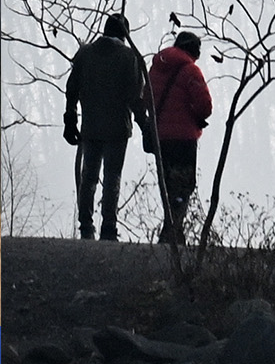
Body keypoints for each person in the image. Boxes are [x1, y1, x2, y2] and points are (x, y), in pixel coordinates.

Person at [64, 13, 150, 241]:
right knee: (112, 176)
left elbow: (71, 87)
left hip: (90, 125)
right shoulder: (129, 56)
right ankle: (109, 227)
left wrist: (70, 118)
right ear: (125, 34)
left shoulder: (85, 54)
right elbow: (135, 97)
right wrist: (146, 126)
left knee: (89, 176)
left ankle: (85, 226)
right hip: (117, 128)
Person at [148, 31, 214, 246]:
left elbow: (145, 98)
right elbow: (205, 108)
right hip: (184, 138)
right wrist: (194, 115)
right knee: (183, 186)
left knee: (167, 185)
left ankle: (172, 232)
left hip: (160, 138)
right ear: (194, 50)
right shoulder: (191, 71)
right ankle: (172, 234)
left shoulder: (156, 68)